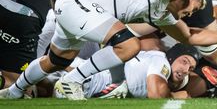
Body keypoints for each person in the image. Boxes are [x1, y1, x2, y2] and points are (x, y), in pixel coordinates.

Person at [0, 0, 217, 100]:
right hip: (78, 1)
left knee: (53, 60)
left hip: (76, 7)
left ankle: (14, 91)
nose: (193, 12)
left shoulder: (162, 13)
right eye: (195, 5)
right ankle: (72, 82)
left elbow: (190, 36)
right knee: (129, 45)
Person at [62, 43, 200, 99]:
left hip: (90, 81)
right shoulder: (161, 62)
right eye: (184, 61)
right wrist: (175, 96)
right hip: (86, 86)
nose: (186, 70)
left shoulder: (156, 60)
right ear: (172, 56)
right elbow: (157, 95)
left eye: (191, 68)